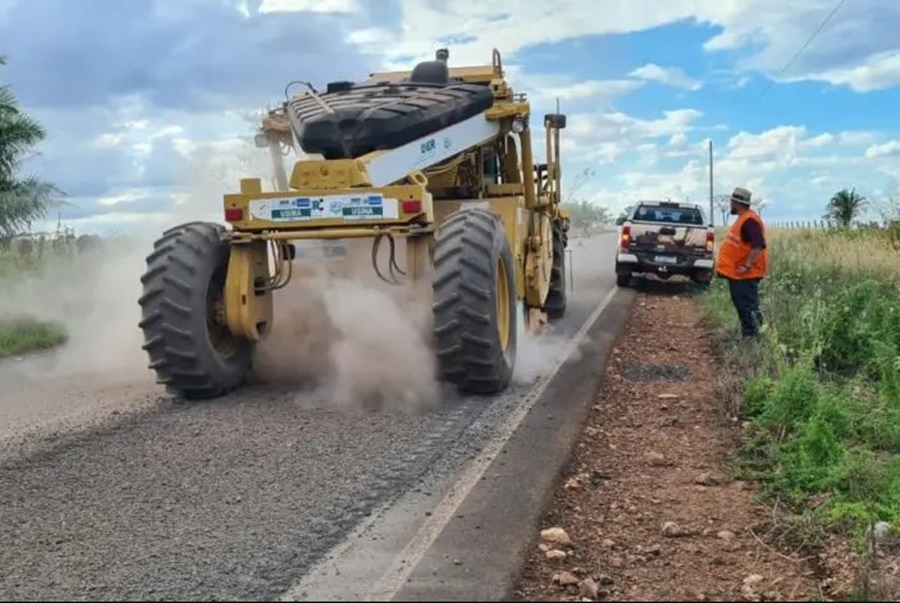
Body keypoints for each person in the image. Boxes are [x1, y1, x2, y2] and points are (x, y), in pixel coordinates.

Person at [715, 187, 769, 338]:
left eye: (732, 201)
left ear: (736, 203)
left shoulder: (749, 220)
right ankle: (750, 337)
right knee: (744, 307)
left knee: (748, 308)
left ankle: (753, 339)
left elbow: (758, 245)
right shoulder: (744, 219)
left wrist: (747, 265)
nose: (730, 204)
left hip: (745, 274)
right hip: (738, 274)